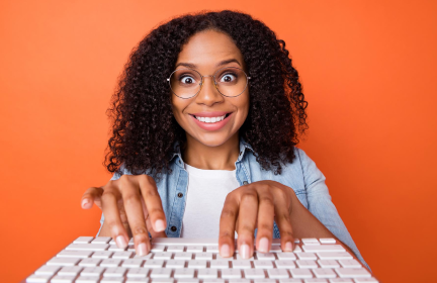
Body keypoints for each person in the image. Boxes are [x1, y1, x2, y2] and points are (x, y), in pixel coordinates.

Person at [80, 10, 368, 267]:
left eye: (228, 76)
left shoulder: (296, 169)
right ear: (162, 93)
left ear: (254, 84)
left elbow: (359, 275)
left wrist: (290, 205)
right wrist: (111, 231)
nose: (209, 98)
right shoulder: (135, 176)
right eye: (187, 79)